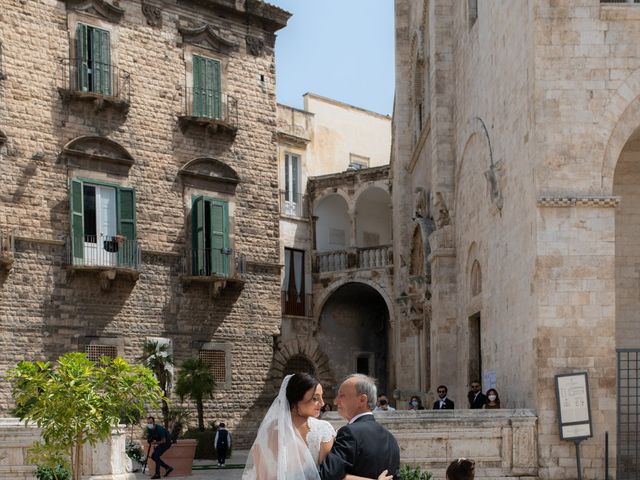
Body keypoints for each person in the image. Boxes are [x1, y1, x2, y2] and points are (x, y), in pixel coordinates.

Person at [242, 373, 392, 480]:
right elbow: (332, 476)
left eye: (321, 397)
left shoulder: (266, 432)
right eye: (315, 398)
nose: (322, 403)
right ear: (295, 400)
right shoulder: (322, 430)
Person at [319, 374, 400, 480]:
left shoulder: (349, 432)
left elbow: (327, 476)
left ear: (362, 400)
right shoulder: (391, 439)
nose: (335, 401)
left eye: (342, 395)